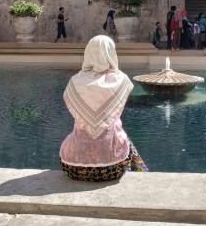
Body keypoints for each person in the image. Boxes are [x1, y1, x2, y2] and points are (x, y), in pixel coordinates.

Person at [59, 35, 148, 181]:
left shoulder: (75, 81)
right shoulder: (121, 79)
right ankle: (143, 175)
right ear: (110, 53)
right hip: (113, 167)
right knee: (124, 138)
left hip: (73, 167)